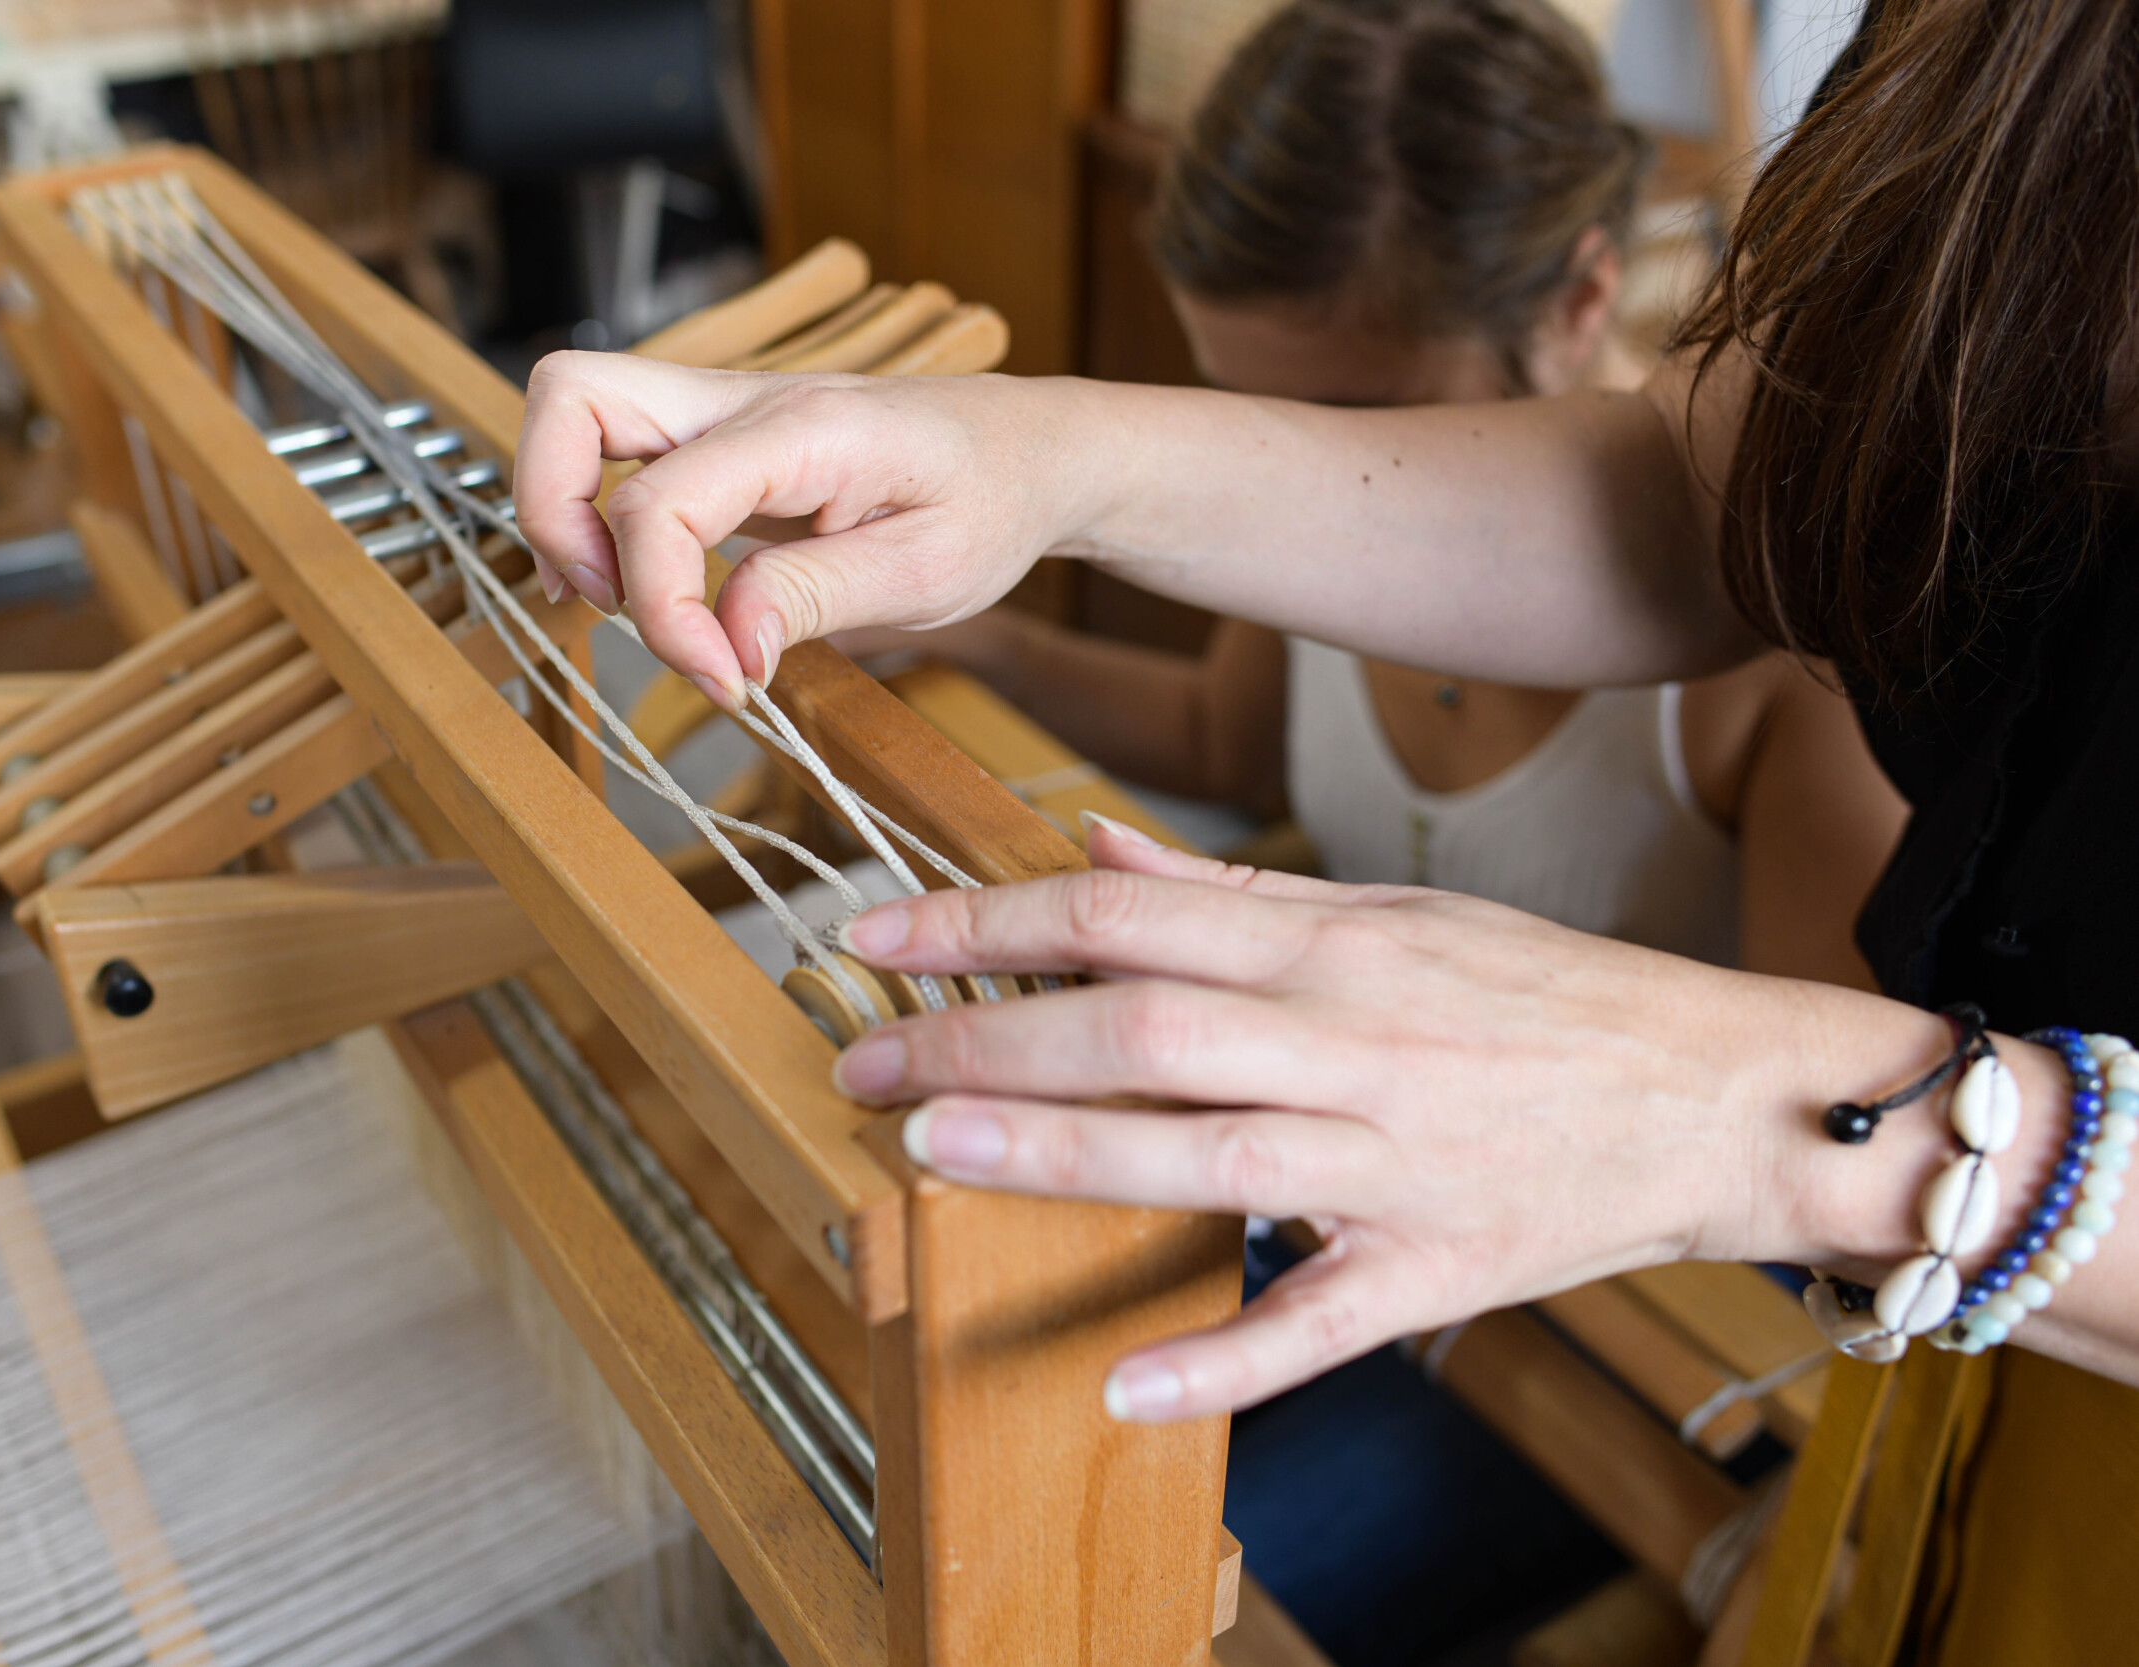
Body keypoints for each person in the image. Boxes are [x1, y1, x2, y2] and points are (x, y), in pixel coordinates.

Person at [514, 0, 2139, 1658]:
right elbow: (1732, 500)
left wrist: (1744, 1117)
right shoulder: (2011, 56)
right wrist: (1043, 454)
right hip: (1959, 1362)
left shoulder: (1773, 734)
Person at [833, 7, 1904, 1653]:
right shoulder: (1324, 527)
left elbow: (1822, 1182)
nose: (1295, 479)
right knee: (934, 1424)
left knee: (1140, 1572)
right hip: (1331, 1155)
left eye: (1349, 424)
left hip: (1611, 1305)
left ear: (1582, 299)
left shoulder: (1775, 674)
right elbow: (1221, 735)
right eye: (1246, 423)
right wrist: (979, 637)